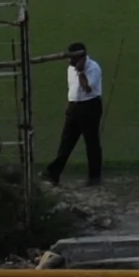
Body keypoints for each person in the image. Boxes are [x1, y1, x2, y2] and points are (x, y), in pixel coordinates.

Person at [44, 42, 104, 186]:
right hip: (74, 106)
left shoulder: (93, 68)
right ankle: (53, 174)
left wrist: (81, 72)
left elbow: (87, 88)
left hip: (90, 105)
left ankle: (94, 176)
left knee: (91, 142)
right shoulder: (70, 69)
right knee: (66, 142)